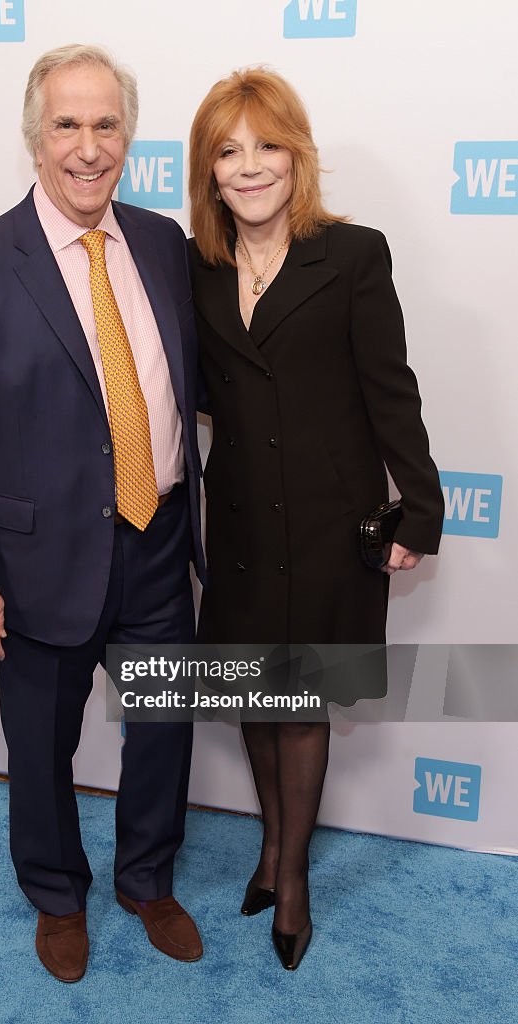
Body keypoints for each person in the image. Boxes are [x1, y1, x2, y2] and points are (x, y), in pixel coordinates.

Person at [0, 44, 206, 983]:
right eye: (68, 125)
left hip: (158, 539)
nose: (88, 146)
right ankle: (55, 893)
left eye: (106, 124)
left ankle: (147, 879)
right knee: (39, 743)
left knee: (165, 725)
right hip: (35, 561)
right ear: (36, 139)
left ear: (128, 136)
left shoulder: (163, 242)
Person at [188, 68, 444, 971]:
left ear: (297, 157)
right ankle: (267, 849)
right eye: (228, 151)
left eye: (266, 146)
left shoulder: (353, 253)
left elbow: (390, 388)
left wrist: (418, 503)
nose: (249, 167)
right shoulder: (197, 267)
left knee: (299, 706)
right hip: (245, 526)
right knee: (254, 700)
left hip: (334, 523)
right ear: (208, 172)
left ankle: (290, 884)